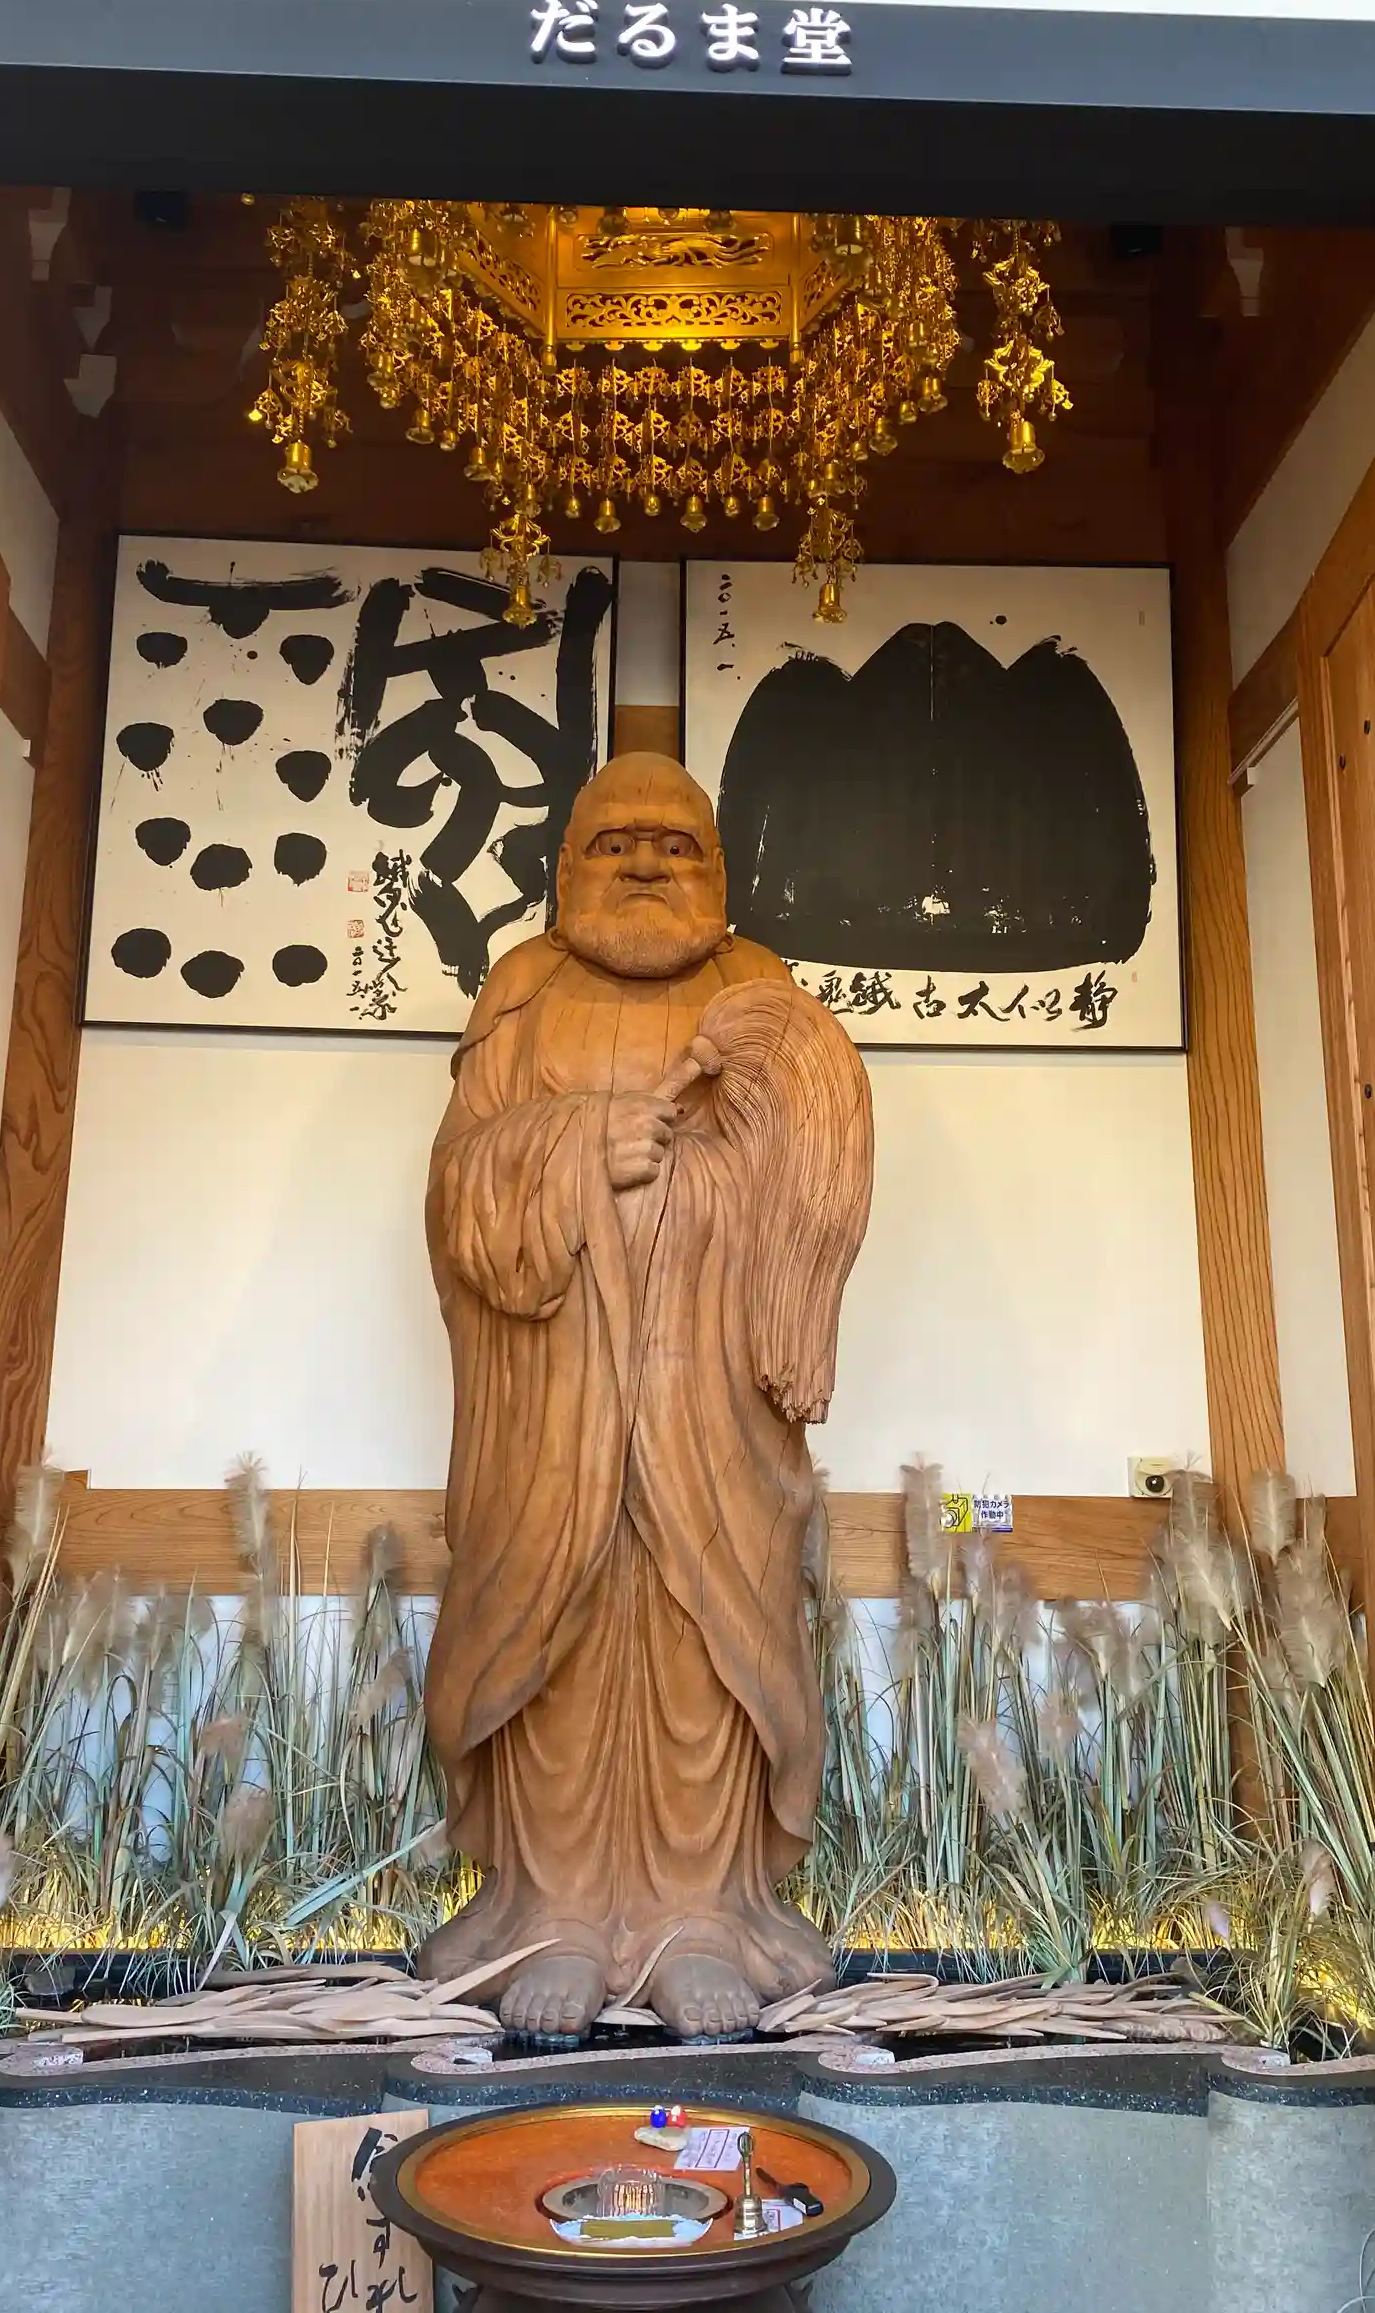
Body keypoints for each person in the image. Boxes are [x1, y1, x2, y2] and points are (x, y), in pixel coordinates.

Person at [418, 751, 874, 2039]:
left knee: (700, 1641)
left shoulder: (756, 991)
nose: (644, 863)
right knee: (557, 1635)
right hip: (552, 1402)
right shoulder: (524, 991)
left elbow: (812, 1186)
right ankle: (551, 1913)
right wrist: (574, 1150)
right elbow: (457, 1191)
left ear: (719, 873)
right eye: (613, 841)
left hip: (709, 1403)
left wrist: (686, 1185)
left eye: (676, 846)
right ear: (565, 865)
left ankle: (700, 1919)